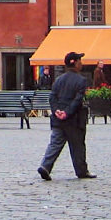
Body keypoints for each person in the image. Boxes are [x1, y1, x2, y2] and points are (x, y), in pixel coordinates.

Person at [37, 51, 95, 180]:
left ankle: (45, 166)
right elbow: (77, 99)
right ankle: (81, 171)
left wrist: (57, 110)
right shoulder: (81, 80)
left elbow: (52, 97)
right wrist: (67, 112)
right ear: (75, 64)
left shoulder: (58, 80)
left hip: (58, 120)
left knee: (55, 144)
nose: (82, 63)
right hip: (74, 120)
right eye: (80, 61)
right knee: (78, 146)